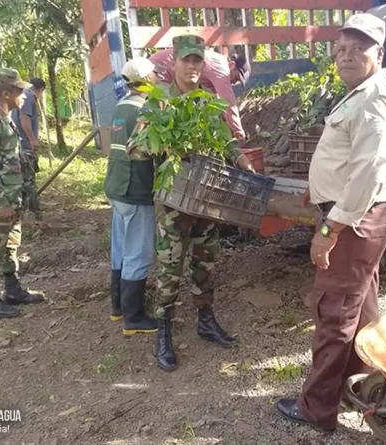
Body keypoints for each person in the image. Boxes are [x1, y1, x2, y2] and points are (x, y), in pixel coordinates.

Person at [275, 13, 386, 430]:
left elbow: (368, 173)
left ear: (379, 53)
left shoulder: (374, 102)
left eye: (358, 49)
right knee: (360, 310)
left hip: (352, 222)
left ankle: (317, 409)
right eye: (341, 50)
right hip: (353, 214)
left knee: (334, 315)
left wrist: (330, 228)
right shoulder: (361, 94)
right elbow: (351, 161)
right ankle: (358, 385)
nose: (346, 57)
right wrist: (318, 190)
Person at [137, 35, 255, 371]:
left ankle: (206, 320)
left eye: (197, 61)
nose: (192, 66)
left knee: (205, 262)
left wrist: (240, 160)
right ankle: (164, 332)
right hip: (173, 203)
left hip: (205, 199)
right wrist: (162, 148)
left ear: (203, 64)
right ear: (173, 62)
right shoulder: (158, 102)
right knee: (170, 268)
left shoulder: (206, 101)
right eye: (186, 60)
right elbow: (136, 148)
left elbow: (223, 140)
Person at [102, 57, 163, 335]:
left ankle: (118, 308)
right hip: (134, 188)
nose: (158, 78)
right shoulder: (145, 109)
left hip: (115, 187)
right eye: (154, 75)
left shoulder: (121, 106)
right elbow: (149, 148)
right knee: (138, 252)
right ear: (146, 80)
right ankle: (134, 317)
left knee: (121, 249)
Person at [0, 68, 46, 321]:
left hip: (12, 197)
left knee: (10, 244)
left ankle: (12, 290)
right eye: (20, 90)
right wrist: (0, 202)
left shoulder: (5, 117)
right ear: (6, 92)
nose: (24, 93)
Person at [149, 45, 250, 141]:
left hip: (167, 71)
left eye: (238, 81)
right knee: (163, 110)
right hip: (159, 69)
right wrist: (238, 131)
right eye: (236, 77)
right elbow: (228, 102)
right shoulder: (222, 69)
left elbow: (216, 102)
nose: (234, 82)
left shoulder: (214, 70)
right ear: (232, 65)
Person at [11, 77, 46, 222]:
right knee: (28, 183)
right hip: (25, 147)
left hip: (19, 145)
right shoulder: (28, 97)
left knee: (24, 182)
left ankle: (26, 212)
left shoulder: (21, 96)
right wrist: (32, 139)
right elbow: (24, 118)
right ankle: (33, 215)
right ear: (40, 90)